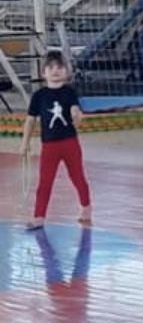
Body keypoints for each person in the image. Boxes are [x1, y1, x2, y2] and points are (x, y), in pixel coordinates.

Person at [20, 50, 91, 230]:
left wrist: (77, 115)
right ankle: (39, 216)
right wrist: (25, 143)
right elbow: (30, 121)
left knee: (77, 177)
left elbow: (75, 109)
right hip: (49, 146)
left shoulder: (69, 92)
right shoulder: (39, 96)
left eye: (60, 67)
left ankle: (86, 206)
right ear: (43, 73)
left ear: (66, 72)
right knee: (45, 182)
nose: (55, 71)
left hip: (69, 143)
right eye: (51, 68)